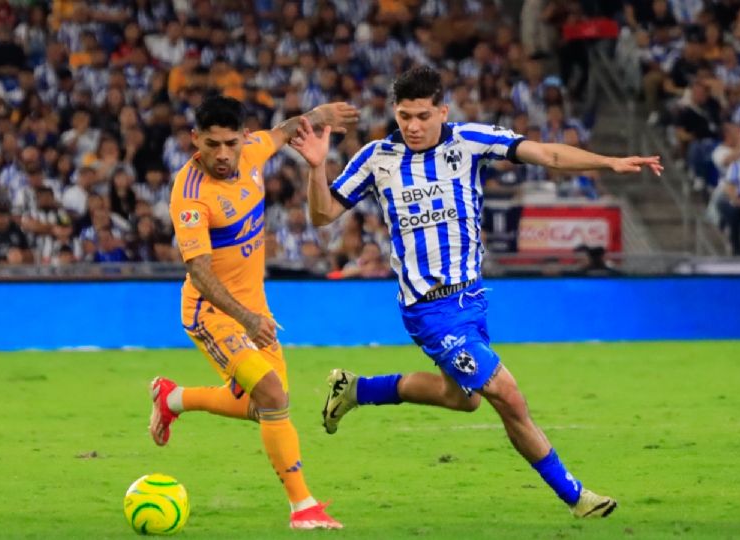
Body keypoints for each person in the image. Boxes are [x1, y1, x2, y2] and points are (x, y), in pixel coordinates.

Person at [288, 66, 662, 519]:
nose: (413, 125)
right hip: (429, 310)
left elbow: (548, 155)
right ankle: (575, 495)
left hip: (472, 299)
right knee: (508, 396)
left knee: (461, 399)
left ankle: (357, 390)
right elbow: (324, 214)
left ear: (442, 110)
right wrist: (316, 167)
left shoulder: (470, 141)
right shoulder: (376, 158)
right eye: (404, 115)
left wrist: (609, 162)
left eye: (423, 115)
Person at [149, 95, 358, 530]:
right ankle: (303, 508)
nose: (223, 155)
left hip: (254, 307)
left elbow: (284, 130)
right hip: (213, 313)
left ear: (243, 139)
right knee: (273, 397)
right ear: (195, 140)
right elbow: (199, 273)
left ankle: (174, 398)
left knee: (266, 407)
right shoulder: (189, 195)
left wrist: (320, 116)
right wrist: (246, 318)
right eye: (212, 145)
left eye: (230, 143)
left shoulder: (254, 150)